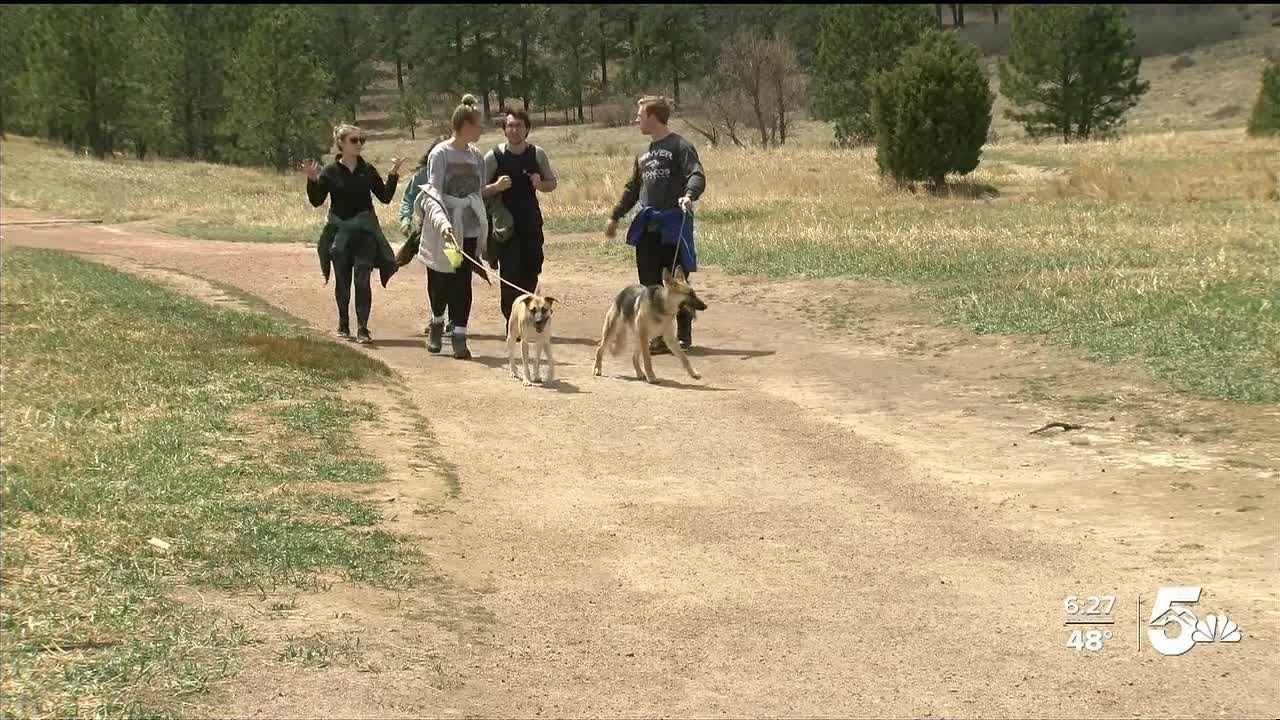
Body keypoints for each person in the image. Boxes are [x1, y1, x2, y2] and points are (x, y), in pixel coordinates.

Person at [605, 95, 707, 352]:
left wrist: (689, 195)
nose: (637, 119)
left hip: (673, 226)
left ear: (652, 116)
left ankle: (682, 335)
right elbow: (632, 189)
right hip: (647, 229)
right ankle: (659, 336)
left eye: (640, 115)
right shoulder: (642, 154)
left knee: (677, 283)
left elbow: (696, 174)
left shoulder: (680, 146)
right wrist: (615, 216)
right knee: (650, 285)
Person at [416, 94, 508, 359]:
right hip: (445, 230)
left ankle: (459, 334)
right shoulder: (440, 153)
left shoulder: (476, 155)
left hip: (467, 230)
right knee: (441, 278)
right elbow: (433, 193)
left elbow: (477, 191)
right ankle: (436, 323)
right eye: (478, 124)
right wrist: (444, 224)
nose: (481, 129)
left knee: (462, 282)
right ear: (466, 125)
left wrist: (492, 191)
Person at [304, 123, 404, 345]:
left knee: (362, 278)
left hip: (365, 233)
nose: (359, 144)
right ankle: (343, 323)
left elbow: (385, 197)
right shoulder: (330, 172)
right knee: (342, 281)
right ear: (341, 143)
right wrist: (312, 180)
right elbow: (317, 200)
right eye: (354, 140)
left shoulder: (367, 169)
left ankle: (362, 328)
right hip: (340, 234)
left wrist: (394, 174)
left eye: (362, 140)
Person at [482, 108, 557, 326]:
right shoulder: (494, 156)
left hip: (531, 223)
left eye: (518, 126)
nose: (514, 130)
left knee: (532, 269)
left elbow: (552, 183)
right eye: (510, 126)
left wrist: (540, 184)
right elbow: (478, 190)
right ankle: (512, 322)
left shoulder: (537, 154)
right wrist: (495, 187)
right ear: (504, 130)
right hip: (505, 228)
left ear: (527, 129)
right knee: (510, 274)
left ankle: (528, 317)